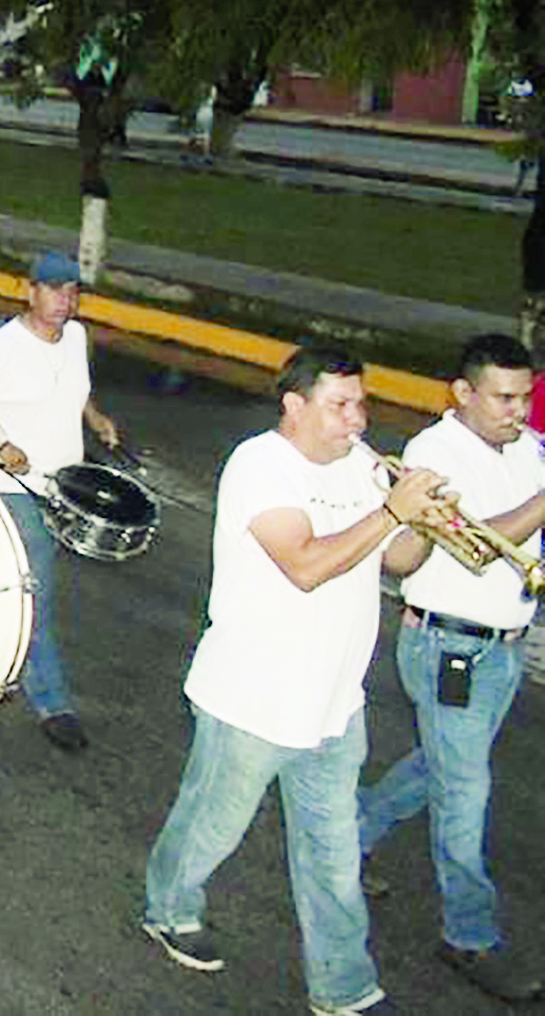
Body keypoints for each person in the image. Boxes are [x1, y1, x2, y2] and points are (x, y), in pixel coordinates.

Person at [140, 345, 442, 1016]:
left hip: (336, 701)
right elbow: (304, 565)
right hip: (253, 696)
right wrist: (393, 511)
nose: (355, 420)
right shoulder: (259, 466)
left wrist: (422, 523)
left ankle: (344, 988)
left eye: (360, 403)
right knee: (211, 827)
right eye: (338, 405)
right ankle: (168, 905)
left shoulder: (363, 466)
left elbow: (398, 559)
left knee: (333, 857)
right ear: (294, 405)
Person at [356, 334, 545, 1002]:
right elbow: (474, 545)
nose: (517, 410)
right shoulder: (432, 456)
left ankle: (351, 836)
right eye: (503, 397)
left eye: (525, 396)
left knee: (441, 766)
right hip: (448, 648)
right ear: (462, 394)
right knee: (467, 790)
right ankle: (469, 935)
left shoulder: (528, 449)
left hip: (504, 645)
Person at [0, 250, 122, 753]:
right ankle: (53, 704)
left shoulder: (77, 337)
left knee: (20, 593)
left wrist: (95, 416)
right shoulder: (2, 348)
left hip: (63, 486)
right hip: (13, 491)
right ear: (30, 290)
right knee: (36, 597)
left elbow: (70, 386)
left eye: (72, 291)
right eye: (53, 289)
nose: (64, 300)